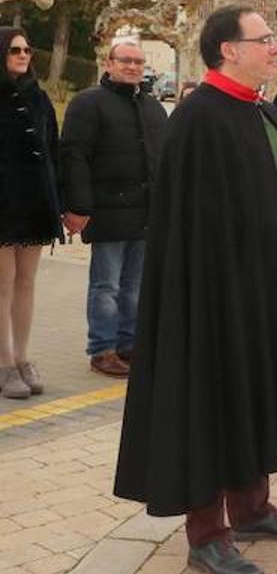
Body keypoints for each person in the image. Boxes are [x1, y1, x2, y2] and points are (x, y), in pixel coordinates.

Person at [113, 5, 277, 574]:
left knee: (255, 389)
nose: (276, 48)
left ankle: (253, 507)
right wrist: (272, 231)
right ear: (228, 50)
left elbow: (276, 188)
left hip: (264, 286)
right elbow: (195, 222)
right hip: (213, 296)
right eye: (264, 39)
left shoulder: (259, 110)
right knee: (213, 398)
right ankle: (208, 533)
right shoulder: (199, 119)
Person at [59, 40, 169, 378]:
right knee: (106, 285)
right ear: (109, 63)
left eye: (138, 61)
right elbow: (74, 157)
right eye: (126, 61)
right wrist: (76, 207)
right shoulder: (88, 104)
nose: (133, 67)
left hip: (145, 214)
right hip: (106, 212)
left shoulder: (153, 108)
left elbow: (163, 160)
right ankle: (102, 349)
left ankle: (128, 344)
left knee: (135, 284)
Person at [0, 27, 62, 400]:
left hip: (35, 204)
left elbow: (52, 151)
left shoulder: (38, 98)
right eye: (14, 50)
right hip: (2, 206)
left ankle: (22, 357)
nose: (23, 55)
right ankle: (4, 362)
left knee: (26, 282)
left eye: (27, 49)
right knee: (3, 283)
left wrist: (60, 200)